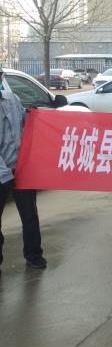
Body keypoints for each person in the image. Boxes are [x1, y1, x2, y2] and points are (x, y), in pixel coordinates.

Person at [0, 67, 46, 275]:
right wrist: (5, 173)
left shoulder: (12, 99)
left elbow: (23, 122)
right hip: (2, 173)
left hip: (21, 168)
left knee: (29, 216)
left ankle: (34, 255)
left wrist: (32, 115)